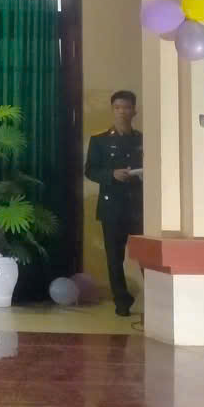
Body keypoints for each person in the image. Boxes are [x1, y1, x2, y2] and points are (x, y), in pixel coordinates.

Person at [84, 90, 143, 317]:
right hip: (112, 206)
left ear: (134, 111)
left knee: (146, 255)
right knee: (114, 258)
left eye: (126, 107)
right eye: (117, 108)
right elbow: (90, 170)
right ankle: (121, 301)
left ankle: (155, 298)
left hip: (138, 205)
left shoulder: (142, 139)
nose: (122, 112)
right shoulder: (100, 140)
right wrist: (111, 175)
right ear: (112, 110)